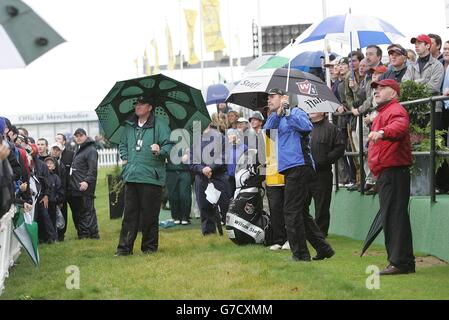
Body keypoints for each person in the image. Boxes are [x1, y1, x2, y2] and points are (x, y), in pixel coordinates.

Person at [263, 88, 334, 262]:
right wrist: (279, 114)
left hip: (300, 166)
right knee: (300, 212)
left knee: (291, 211)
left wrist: (287, 111)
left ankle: (301, 255)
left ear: (283, 98)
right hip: (291, 168)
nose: (269, 100)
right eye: (268, 97)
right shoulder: (276, 117)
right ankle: (323, 249)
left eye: (273, 97)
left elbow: (306, 126)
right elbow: (268, 131)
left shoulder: (296, 111)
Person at [367, 79, 415, 275]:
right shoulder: (384, 112)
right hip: (387, 171)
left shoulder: (395, 110)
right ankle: (400, 261)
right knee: (392, 216)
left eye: (381, 88)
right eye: (376, 89)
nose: (377, 91)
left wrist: (382, 132)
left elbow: (400, 126)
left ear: (393, 93)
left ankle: (400, 262)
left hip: (394, 171)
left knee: (395, 217)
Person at [115, 96, 173, 255]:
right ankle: (124, 248)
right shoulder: (129, 125)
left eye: (142, 104)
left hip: (151, 178)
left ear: (150, 107)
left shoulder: (160, 125)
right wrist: (125, 158)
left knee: (149, 215)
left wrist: (160, 150)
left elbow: (169, 146)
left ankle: (149, 248)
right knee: (129, 216)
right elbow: (122, 144)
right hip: (131, 176)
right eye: (137, 104)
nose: (138, 106)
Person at [190, 119, 231, 235]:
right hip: (201, 178)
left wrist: (211, 167)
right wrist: (202, 169)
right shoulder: (195, 139)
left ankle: (231, 232)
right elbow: (191, 161)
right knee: (204, 207)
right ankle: (209, 234)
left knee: (224, 206)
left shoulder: (220, 137)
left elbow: (224, 156)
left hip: (218, 176)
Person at [309, 112, 345, 237]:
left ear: (323, 111)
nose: (312, 110)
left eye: (316, 108)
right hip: (304, 173)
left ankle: (320, 234)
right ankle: (304, 231)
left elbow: (340, 148)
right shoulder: (304, 126)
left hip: (322, 173)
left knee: (322, 206)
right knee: (300, 204)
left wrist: (326, 159)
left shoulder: (331, 129)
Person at [68, 128, 100, 240]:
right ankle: (83, 234)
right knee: (81, 211)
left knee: (88, 210)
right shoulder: (80, 148)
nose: (78, 138)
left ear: (85, 136)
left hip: (86, 186)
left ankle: (92, 235)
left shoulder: (90, 150)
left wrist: (86, 181)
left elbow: (93, 169)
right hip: (77, 186)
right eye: (76, 136)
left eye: (80, 135)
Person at [54, 133, 74, 241]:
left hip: (68, 188)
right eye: (55, 138)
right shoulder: (52, 155)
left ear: (64, 141)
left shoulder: (70, 154)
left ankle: (63, 233)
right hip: (56, 188)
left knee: (68, 211)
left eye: (59, 139)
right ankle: (58, 234)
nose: (57, 140)